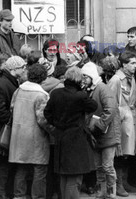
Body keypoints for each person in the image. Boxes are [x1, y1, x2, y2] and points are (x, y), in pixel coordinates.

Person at [44, 66, 98, 199]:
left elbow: (47, 113)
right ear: (79, 80)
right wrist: (83, 90)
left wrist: (57, 124)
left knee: (63, 175)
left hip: (60, 137)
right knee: (75, 178)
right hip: (76, 140)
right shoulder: (80, 96)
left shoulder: (56, 93)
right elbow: (93, 106)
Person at [9, 64, 51, 199]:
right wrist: (53, 131)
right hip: (36, 137)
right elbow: (42, 119)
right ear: (43, 78)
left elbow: (12, 109)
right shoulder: (41, 95)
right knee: (39, 170)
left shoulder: (18, 91)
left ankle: (19, 196)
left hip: (18, 135)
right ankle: (38, 197)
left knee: (21, 168)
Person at [81, 62, 121, 199]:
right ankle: (101, 192)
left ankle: (111, 194)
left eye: (85, 77)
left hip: (107, 133)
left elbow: (110, 109)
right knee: (98, 166)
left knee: (107, 166)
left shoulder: (102, 88)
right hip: (98, 133)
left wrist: (98, 127)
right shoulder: (92, 89)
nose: (83, 80)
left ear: (92, 76)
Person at [0, 56, 26, 199]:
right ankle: (0, 193)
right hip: (6, 130)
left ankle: (5, 192)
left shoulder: (9, 82)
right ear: (13, 69)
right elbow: (0, 110)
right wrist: (13, 122)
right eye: (21, 67)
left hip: (10, 128)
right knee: (4, 164)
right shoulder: (2, 85)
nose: (24, 70)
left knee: (8, 163)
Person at [107, 51, 136, 197]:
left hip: (131, 120)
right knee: (119, 153)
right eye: (132, 63)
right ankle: (118, 184)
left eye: (135, 63)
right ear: (124, 64)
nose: (135, 66)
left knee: (127, 153)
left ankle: (124, 181)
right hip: (120, 121)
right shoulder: (116, 80)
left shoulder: (131, 78)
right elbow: (110, 102)